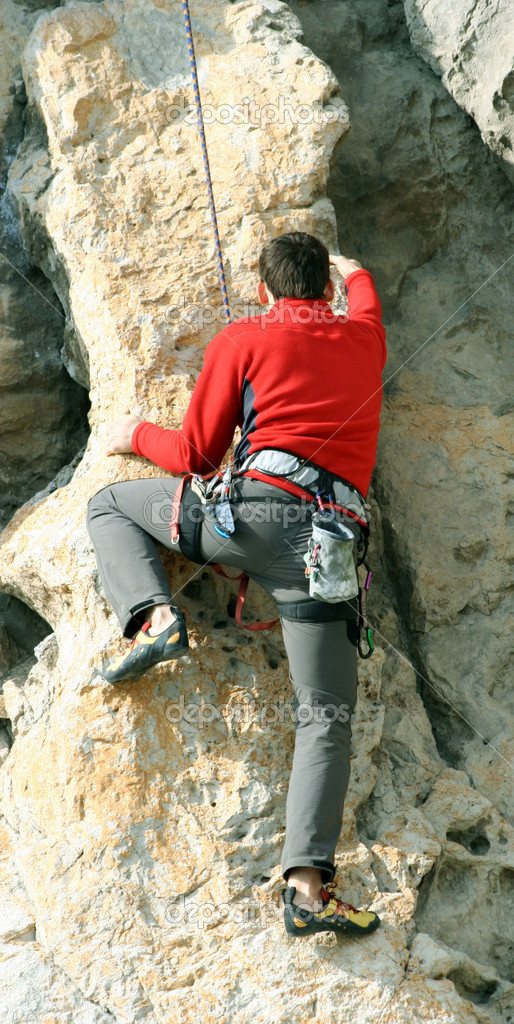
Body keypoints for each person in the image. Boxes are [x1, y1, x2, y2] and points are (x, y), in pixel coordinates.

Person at [86, 232, 387, 938]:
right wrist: (355, 271)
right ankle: (307, 892)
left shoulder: (243, 336)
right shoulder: (364, 338)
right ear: (328, 291)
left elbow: (193, 453)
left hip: (243, 524)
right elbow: (367, 298)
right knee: (326, 717)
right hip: (326, 550)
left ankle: (155, 618)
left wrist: (134, 431)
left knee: (109, 508)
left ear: (264, 290)